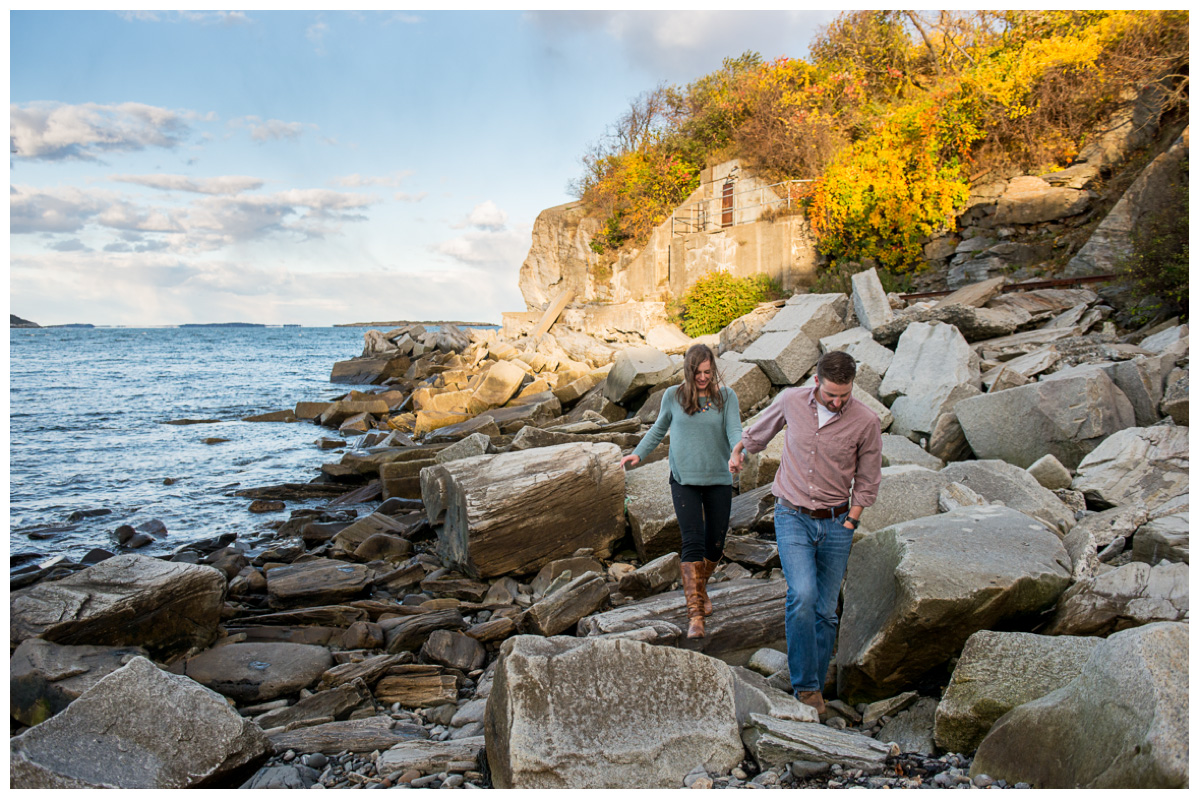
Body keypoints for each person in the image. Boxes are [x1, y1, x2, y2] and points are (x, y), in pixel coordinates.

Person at [728, 350, 882, 715]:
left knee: (827, 612)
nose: (837, 401)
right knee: (803, 594)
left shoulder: (866, 421)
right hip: (792, 514)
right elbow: (758, 433)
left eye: (844, 395)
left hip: (837, 521)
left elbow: (869, 477)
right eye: (831, 393)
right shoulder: (791, 400)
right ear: (816, 381)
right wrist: (738, 453)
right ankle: (807, 687)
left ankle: (815, 676)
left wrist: (852, 519)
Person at [620, 344, 742, 639]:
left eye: (708, 372)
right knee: (692, 542)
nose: (703, 378)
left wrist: (737, 452)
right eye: (698, 373)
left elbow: (735, 431)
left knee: (715, 545)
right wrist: (638, 454)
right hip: (684, 479)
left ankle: (700, 589)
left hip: (718, 478)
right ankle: (695, 615)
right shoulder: (673, 396)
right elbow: (658, 429)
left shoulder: (726, 397)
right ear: (688, 371)